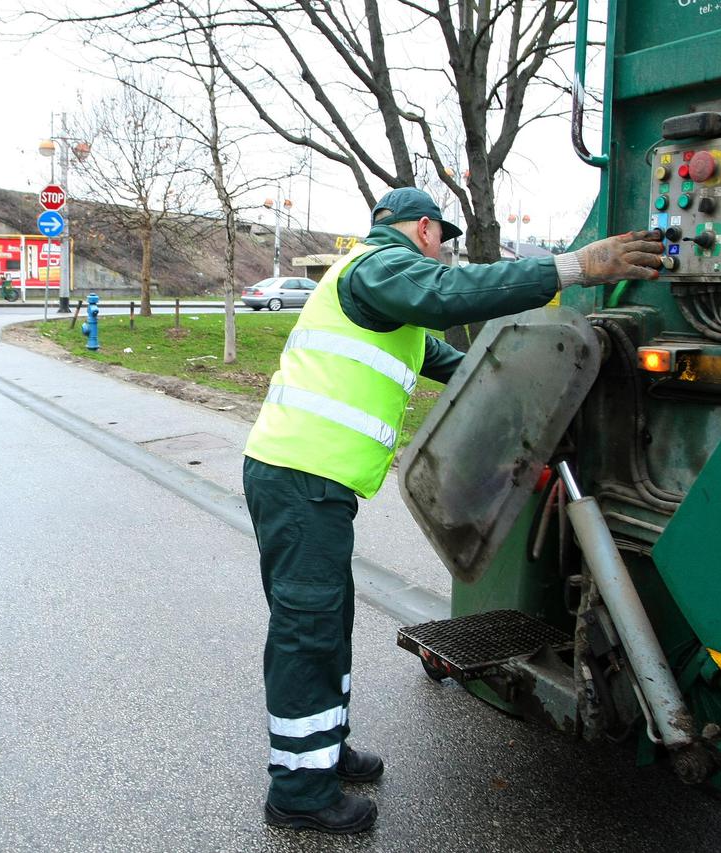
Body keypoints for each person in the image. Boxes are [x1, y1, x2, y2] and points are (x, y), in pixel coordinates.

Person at [242, 187, 663, 834]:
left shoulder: (389, 309)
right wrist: (573, 267)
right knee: (308, 628)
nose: (443, 247)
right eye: (441, 236)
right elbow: (447, 293)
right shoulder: (378, 267)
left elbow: (464, 366)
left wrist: (540, 388)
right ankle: (298, 791)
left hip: (310, 483)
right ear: (421, 229)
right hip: (299, 479)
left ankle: (323, 751)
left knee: (327, 620)